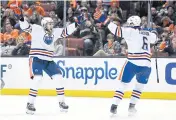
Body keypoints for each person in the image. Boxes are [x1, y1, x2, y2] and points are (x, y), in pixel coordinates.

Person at [12, 7, 77, 115]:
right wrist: (21, 18)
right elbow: (25, 26)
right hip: (36, 58)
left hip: (48, 60)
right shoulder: (36, 29)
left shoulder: (55, 32)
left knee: (58, 77)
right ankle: (30, 103)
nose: (51, 25)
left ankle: (61, 102)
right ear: (43, 24)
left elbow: (66, 31)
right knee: (37, 79)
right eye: (49, 24)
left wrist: (76, 24)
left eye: (52, 24)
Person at [107, 16, 158, 115]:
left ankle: (114, 106)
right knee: (140, 86)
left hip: (133, 62)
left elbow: (115, 30)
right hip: (146, 65)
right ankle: (132, 106)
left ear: (131, 24)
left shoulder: (129, 31)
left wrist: (107, 20)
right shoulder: (147, 33)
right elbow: (155, 38)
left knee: (123, 84)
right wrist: (153, 30)